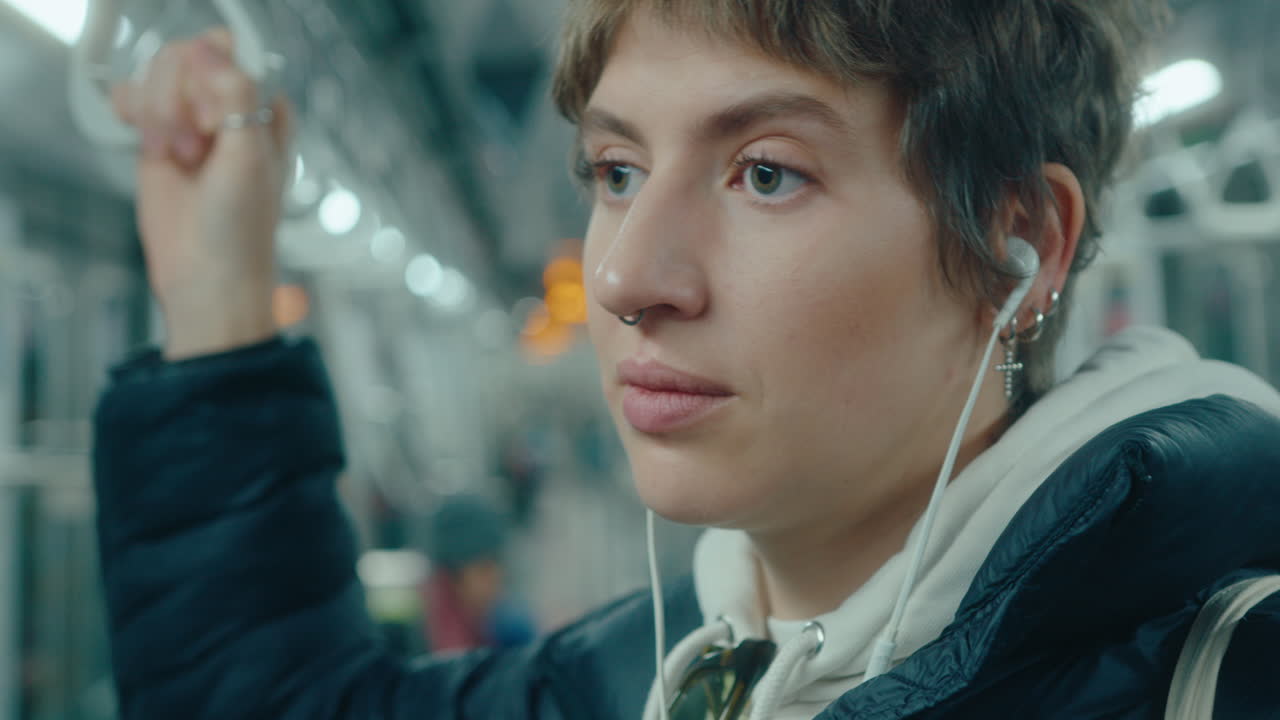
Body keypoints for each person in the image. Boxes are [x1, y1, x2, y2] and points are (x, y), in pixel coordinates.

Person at [91, 3, 1280, 719]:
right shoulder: (670, 679)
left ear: (1019, 244)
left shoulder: (1227, 675)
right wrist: (214, 295)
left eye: (764, 172)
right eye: (615, 171)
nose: (624, 277)